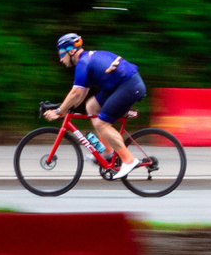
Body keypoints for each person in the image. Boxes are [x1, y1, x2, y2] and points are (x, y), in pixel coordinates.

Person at [44, 33, 147, 179]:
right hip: (121, 85)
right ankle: (107, 152)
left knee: (101, 124)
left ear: (71, 51)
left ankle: (128, 160)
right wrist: (68, 110)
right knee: (92, 106)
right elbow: (82, 93)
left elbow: (75, 92)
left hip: (129, 86)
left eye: (61, 53)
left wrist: (59, 111)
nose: (61, 59)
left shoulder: (83, 63)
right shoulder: (86, 60)